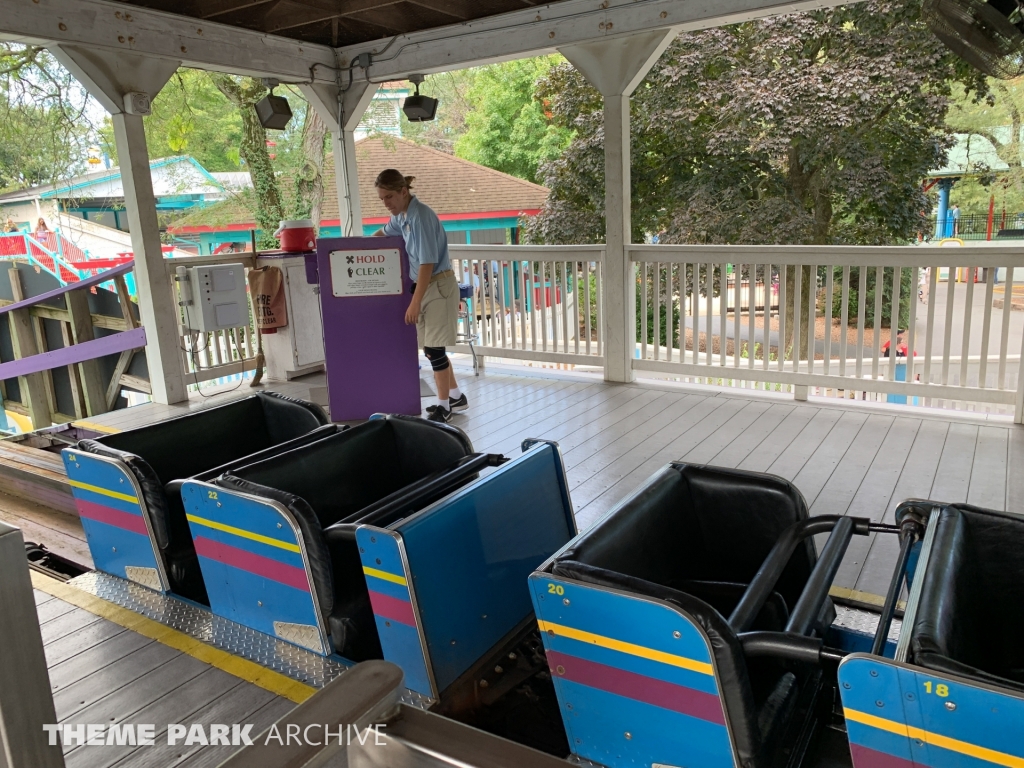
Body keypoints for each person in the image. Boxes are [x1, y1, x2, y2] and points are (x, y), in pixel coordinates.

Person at [373, 169, 466, 423]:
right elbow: (382, 232)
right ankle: (456, 396)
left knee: (435, 350)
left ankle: (444, 406)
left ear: (404, 192)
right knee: (431, 350)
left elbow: (427, 263)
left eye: (389, 197)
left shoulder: (421, 217)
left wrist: (414, 303)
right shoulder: (402, 216)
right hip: (426, 287)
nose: (386, 204)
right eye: (382, 199)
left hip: (438, 286)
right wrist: (358, 247)